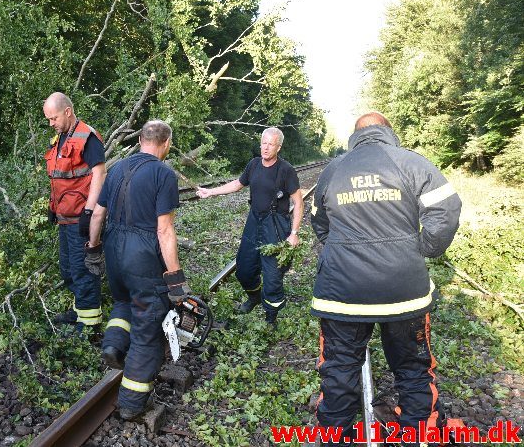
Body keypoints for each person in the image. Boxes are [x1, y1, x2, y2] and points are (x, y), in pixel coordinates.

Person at [310, 112, 462, 444]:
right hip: (404, 293)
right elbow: (447, 210)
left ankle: (335, 437)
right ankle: (419, 434)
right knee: (412, 368)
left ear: (355, 136)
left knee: (338, 370)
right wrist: (423, 248)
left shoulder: (333, 170)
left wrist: (342, 250)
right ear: (388, 132)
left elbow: (319, 224)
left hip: (342, 295)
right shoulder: (412, 162)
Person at [85, 120, 189, 420]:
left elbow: (99, 213)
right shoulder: (163, 174)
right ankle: (131, 402)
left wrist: (93, 248)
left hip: (114, 249)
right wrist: (175, 279)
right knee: (147, 326)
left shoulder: (116, 169)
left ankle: (114, 346)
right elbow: (165, 231)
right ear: (166, 142)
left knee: (123, 301)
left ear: (141, 139)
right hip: (142, 255)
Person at [197, 127, 303, 323]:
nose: (266, 147)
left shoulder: (286, 170)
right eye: (264, 143)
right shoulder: (253, 165)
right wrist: (211, 192)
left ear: (278, 147)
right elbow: (237, 185)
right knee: (244, 269)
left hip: (275, 224)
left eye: (271, 144)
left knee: (272, 275)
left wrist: (294, 233)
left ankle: (270, 318)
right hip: (254, 221)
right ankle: (254, 297)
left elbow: (298, 202)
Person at [43, 92, 106, 332]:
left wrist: (90, 213)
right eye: (49, 119)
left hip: (81, 217)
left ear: (67, 111)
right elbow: (60, 178)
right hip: (64, 217)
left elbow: (99, 175)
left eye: (54, 118)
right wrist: (53, 207)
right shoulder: (60, 138)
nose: (51, 123)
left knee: (83, 270)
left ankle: (89, 326)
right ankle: (79, 310)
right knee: (68, 268)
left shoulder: (87, 137)